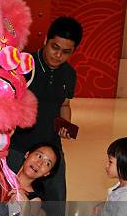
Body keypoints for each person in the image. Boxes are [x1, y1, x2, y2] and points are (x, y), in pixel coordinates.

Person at [7, 17, 83, 205]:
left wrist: (66, 126)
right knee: (8, 196)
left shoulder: (69, 74)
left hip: (51, 148)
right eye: (54, 47)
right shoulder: (25, 64)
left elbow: (64, 105)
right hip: (19, 146)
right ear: (45, 41)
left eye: (66, 52)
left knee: (56, 198)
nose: (58, 55)